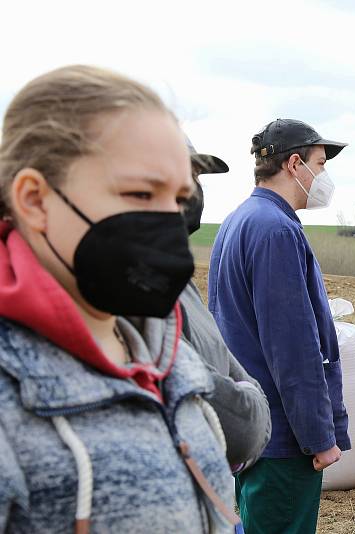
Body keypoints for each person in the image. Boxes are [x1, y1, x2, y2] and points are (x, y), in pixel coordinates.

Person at [0, 65, 236, 532]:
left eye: (179, 198)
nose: (169, 221)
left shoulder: (162, 351)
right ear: (33, 200)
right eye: (140, 192)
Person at [208, 118, 350, 534]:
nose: (323, 176)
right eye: (320, 165)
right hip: (284, 438)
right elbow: (293, 347)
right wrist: (318, 437)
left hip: (252, 421)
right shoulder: (276, 231)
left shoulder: (239, 220)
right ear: (294, 164)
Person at [180, 139, 271, 469]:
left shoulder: (178, 282)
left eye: (196, 177)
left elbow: (224, 358)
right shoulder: (139, 294)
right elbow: (241, 427)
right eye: (188, 173)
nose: (191, 191)